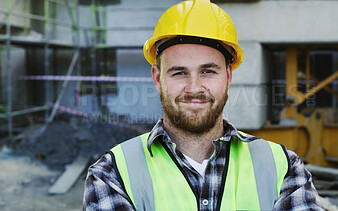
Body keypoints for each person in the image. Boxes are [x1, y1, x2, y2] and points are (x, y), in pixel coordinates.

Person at [83, 0, 324, 210]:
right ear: (158, 79)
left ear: (228, 77)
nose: (194, 88)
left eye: (208, 71)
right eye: (179, 73)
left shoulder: (283, 168)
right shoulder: (112, 174)